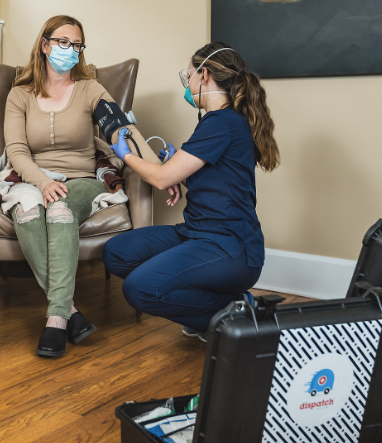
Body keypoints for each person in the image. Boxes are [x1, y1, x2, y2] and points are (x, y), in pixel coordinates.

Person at [102, 43, 280, 341]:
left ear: (205, 75)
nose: (189, 84)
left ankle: (238, 310)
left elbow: (159, 180)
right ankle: (204, 315)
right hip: (196, 233)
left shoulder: (222, 122)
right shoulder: (221, 121)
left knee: (140, 289)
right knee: (118, 252)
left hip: (230, 247)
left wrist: (126, 155)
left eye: (190, 76)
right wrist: (177, 171)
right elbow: (218, 180)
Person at [4, 15, 123, 358]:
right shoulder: (19, 95)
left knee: (59, 209)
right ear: (45, 45)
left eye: (77, 45)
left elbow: (120, 131)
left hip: (81, 179)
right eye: (63, 42)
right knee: (27, 210)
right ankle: (70, 311)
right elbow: (16, 151)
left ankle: (55, 319)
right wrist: (41, 182)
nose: (71, 50)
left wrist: (156, 167)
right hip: (31, 176)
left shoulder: (91, 89)